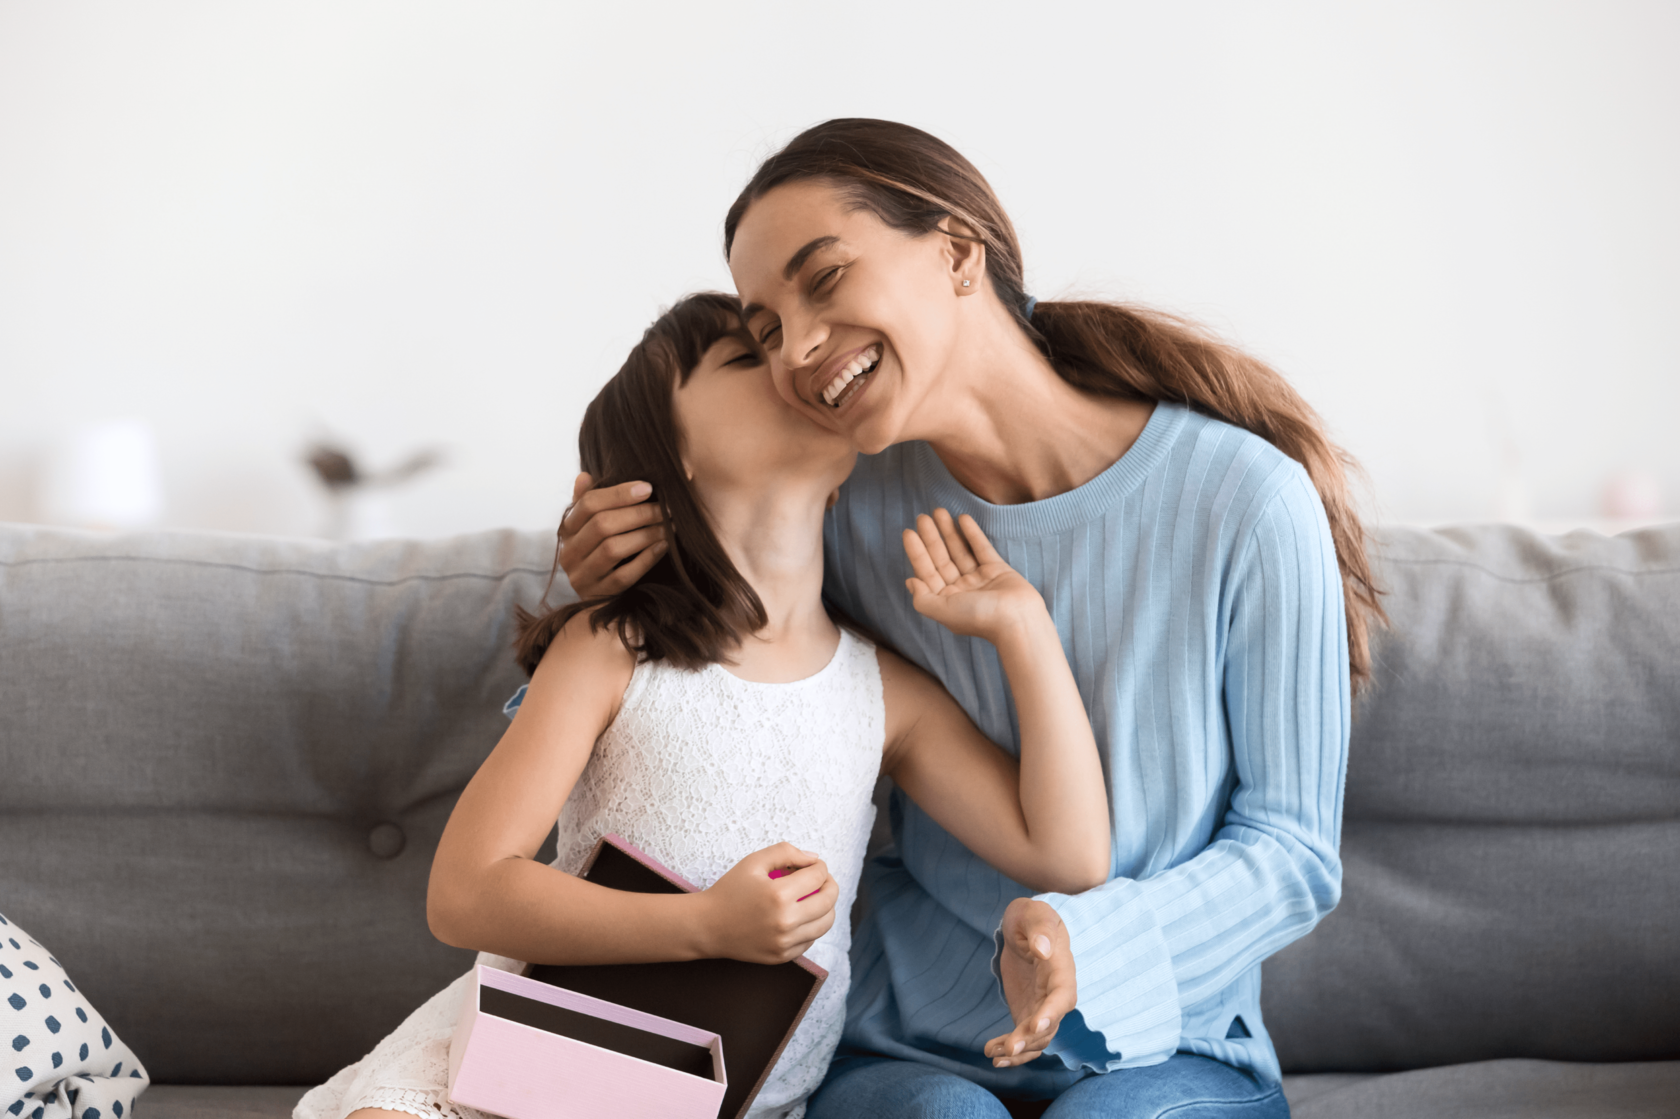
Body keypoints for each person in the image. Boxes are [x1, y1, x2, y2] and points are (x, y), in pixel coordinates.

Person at [559, 119, 1384, 1119]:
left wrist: (1094, 944)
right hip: (900, 1050)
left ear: (957, 253)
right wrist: (624, 573)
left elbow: (1290, 851)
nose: (800, 351)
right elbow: (705, 705)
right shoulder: (838, 500)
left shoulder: (1246, 502)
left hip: (1172, 1051)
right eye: (766, 328)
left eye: (824, 280)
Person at [294, 291, 1113, 1119]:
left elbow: (1068, 851)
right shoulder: (612, 649)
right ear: (669, 453)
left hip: (726, 1101)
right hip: (536, 1061)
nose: (797, 363)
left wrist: (1024, 627)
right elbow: (463, 893)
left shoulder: (882, 694)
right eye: (749, 356)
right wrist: (706, 925)